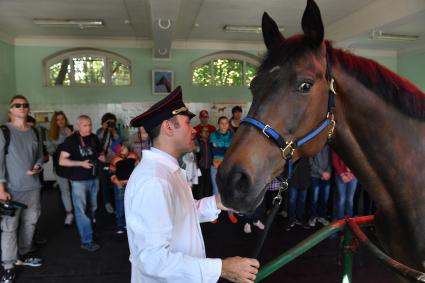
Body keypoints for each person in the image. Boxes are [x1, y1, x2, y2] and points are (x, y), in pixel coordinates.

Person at [125, 86, 259, 283]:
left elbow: (181, 213)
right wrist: (221, 268)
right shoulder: (154, 180)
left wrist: (218, 203)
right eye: (188, 123)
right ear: (168, 127)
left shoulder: (167, 171)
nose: (194, 129)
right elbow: (152, 260)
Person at [0, 95, 44, 283]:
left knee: (30, 223)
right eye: (17, 105)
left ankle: (23, 255)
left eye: (25, 105)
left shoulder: (35, 132)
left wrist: (38, 167)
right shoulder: (4, 131)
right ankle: (8, 266)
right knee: (10, 228)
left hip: (32, 188)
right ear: (10, 110)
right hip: (11, 190)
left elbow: (41, 157)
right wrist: (1, 189)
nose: (22, 108)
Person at [59, 115, 104, 252]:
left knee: (93, 208)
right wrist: (81, 164)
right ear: (78, 126)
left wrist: (103, 158)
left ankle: (88, 231)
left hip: (93, 177)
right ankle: (86, 240)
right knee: (81, 211)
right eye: (85, 125)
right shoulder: (71, 140)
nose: (88, 127)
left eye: (90, 124)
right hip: (78, 180)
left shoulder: (94, 138)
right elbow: (62, 161)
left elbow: (99, 153)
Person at [45, 111, 74, 226]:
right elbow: (51, 150)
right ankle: (69, 213)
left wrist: (70, 136)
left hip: (72, 165)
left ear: (65, 119)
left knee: (76, 191)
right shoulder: (51, 133)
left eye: (62, 119)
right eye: (58, 119)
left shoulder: (70, 131)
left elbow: (75, 147)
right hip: (59, 166)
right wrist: (55, 146)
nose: (60, 121)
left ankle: (81, 212)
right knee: (65, 191)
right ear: (54, 121)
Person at [209, 116, 237, 224]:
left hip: (229, 168)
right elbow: (216, 150)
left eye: (226, 123)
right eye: (222, 123)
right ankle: (214, 213)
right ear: (218, 124)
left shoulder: (233, 136)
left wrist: (222, 149)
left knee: (229, 190)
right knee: (216, 190)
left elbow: (231, 152)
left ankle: (230, 213)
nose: (224, 125)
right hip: (215, 167)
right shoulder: (213, 135)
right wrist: (225, 150)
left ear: (228, 125)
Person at [110, 142, 139, 234]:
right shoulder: (115, 160)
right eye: (122, 149)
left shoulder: (133, 155)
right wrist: (117, 183)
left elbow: (138, 168)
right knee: (120, 205)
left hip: (132, 184)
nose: (125, 149)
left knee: (132, 204)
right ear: (118, 152)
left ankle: (129, 224)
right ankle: (120, 225)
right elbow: (112, 173)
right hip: (120, 185)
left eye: (124, 147)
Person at [96, 113, 121, 214]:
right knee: (105, 182)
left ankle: (117, 202)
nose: (110, 124)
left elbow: (119, 142)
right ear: (103, 123)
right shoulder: (99, 131)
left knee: (116, 181)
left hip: (115, 162)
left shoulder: (116, 130)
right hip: (103, 163)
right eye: (108, 122)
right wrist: (104, 129)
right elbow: (97, 141)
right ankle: (107, 203)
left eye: (112, 122)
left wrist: (113, 131)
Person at [307, 145, 332, 227]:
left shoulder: (328, 147)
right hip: (315, 176)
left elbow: (330, 162)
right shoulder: (314, 146)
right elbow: (310, 163)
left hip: (326, 176)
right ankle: (313, 217)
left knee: (324, 198)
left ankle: (322, 216)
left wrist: (327, 173)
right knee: (314, 198)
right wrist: (322, 173)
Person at [284, 158, 311, 231]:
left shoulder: (307, 148)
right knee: (292, 200)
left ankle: (300, 218)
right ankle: (291, 219)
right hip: (293, 178)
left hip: (304, 177)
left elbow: (310, 162)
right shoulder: (292, 148)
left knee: (302, 200)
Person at [332, 151, 358, 220]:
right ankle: (340, 220)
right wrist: (342, 175)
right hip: (340, 176)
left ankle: (349, 220)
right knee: (342, 199)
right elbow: (335, 161)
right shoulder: (337, 145)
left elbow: (358, 160)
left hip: (353, 176)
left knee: (350, 199)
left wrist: (352, 174)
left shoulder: (354, 147)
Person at [196, 126, 213, 199]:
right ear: (200, 133)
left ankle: (206, 203)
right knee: (200, 185)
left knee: (208, 185)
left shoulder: (211, 143)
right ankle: (200, 202)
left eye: (207, 131)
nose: (206, 133)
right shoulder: (198, 143)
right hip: (200, 168)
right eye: (204, 131)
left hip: (209, 168)